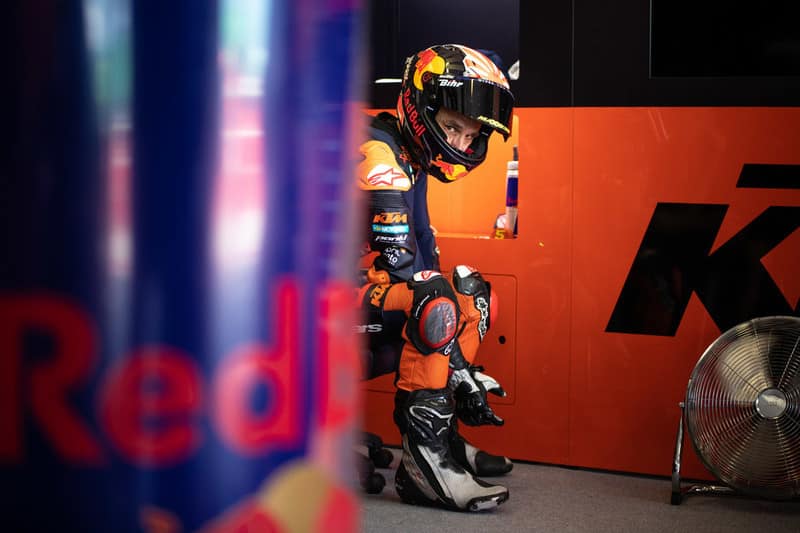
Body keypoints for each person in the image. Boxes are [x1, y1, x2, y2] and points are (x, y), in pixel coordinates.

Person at [356, 44, 515, 512]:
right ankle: (428, 464)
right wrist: (462, 373)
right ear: (420, 106)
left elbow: (422, 249)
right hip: (303, 305)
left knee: (474, 297)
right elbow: (402, 267)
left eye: (471, 134)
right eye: (451, 127)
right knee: (434, 303)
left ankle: (438, 439)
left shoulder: (410, 153)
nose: (461, 145)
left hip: (360, 297)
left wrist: (457, 365)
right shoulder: (377, 150)